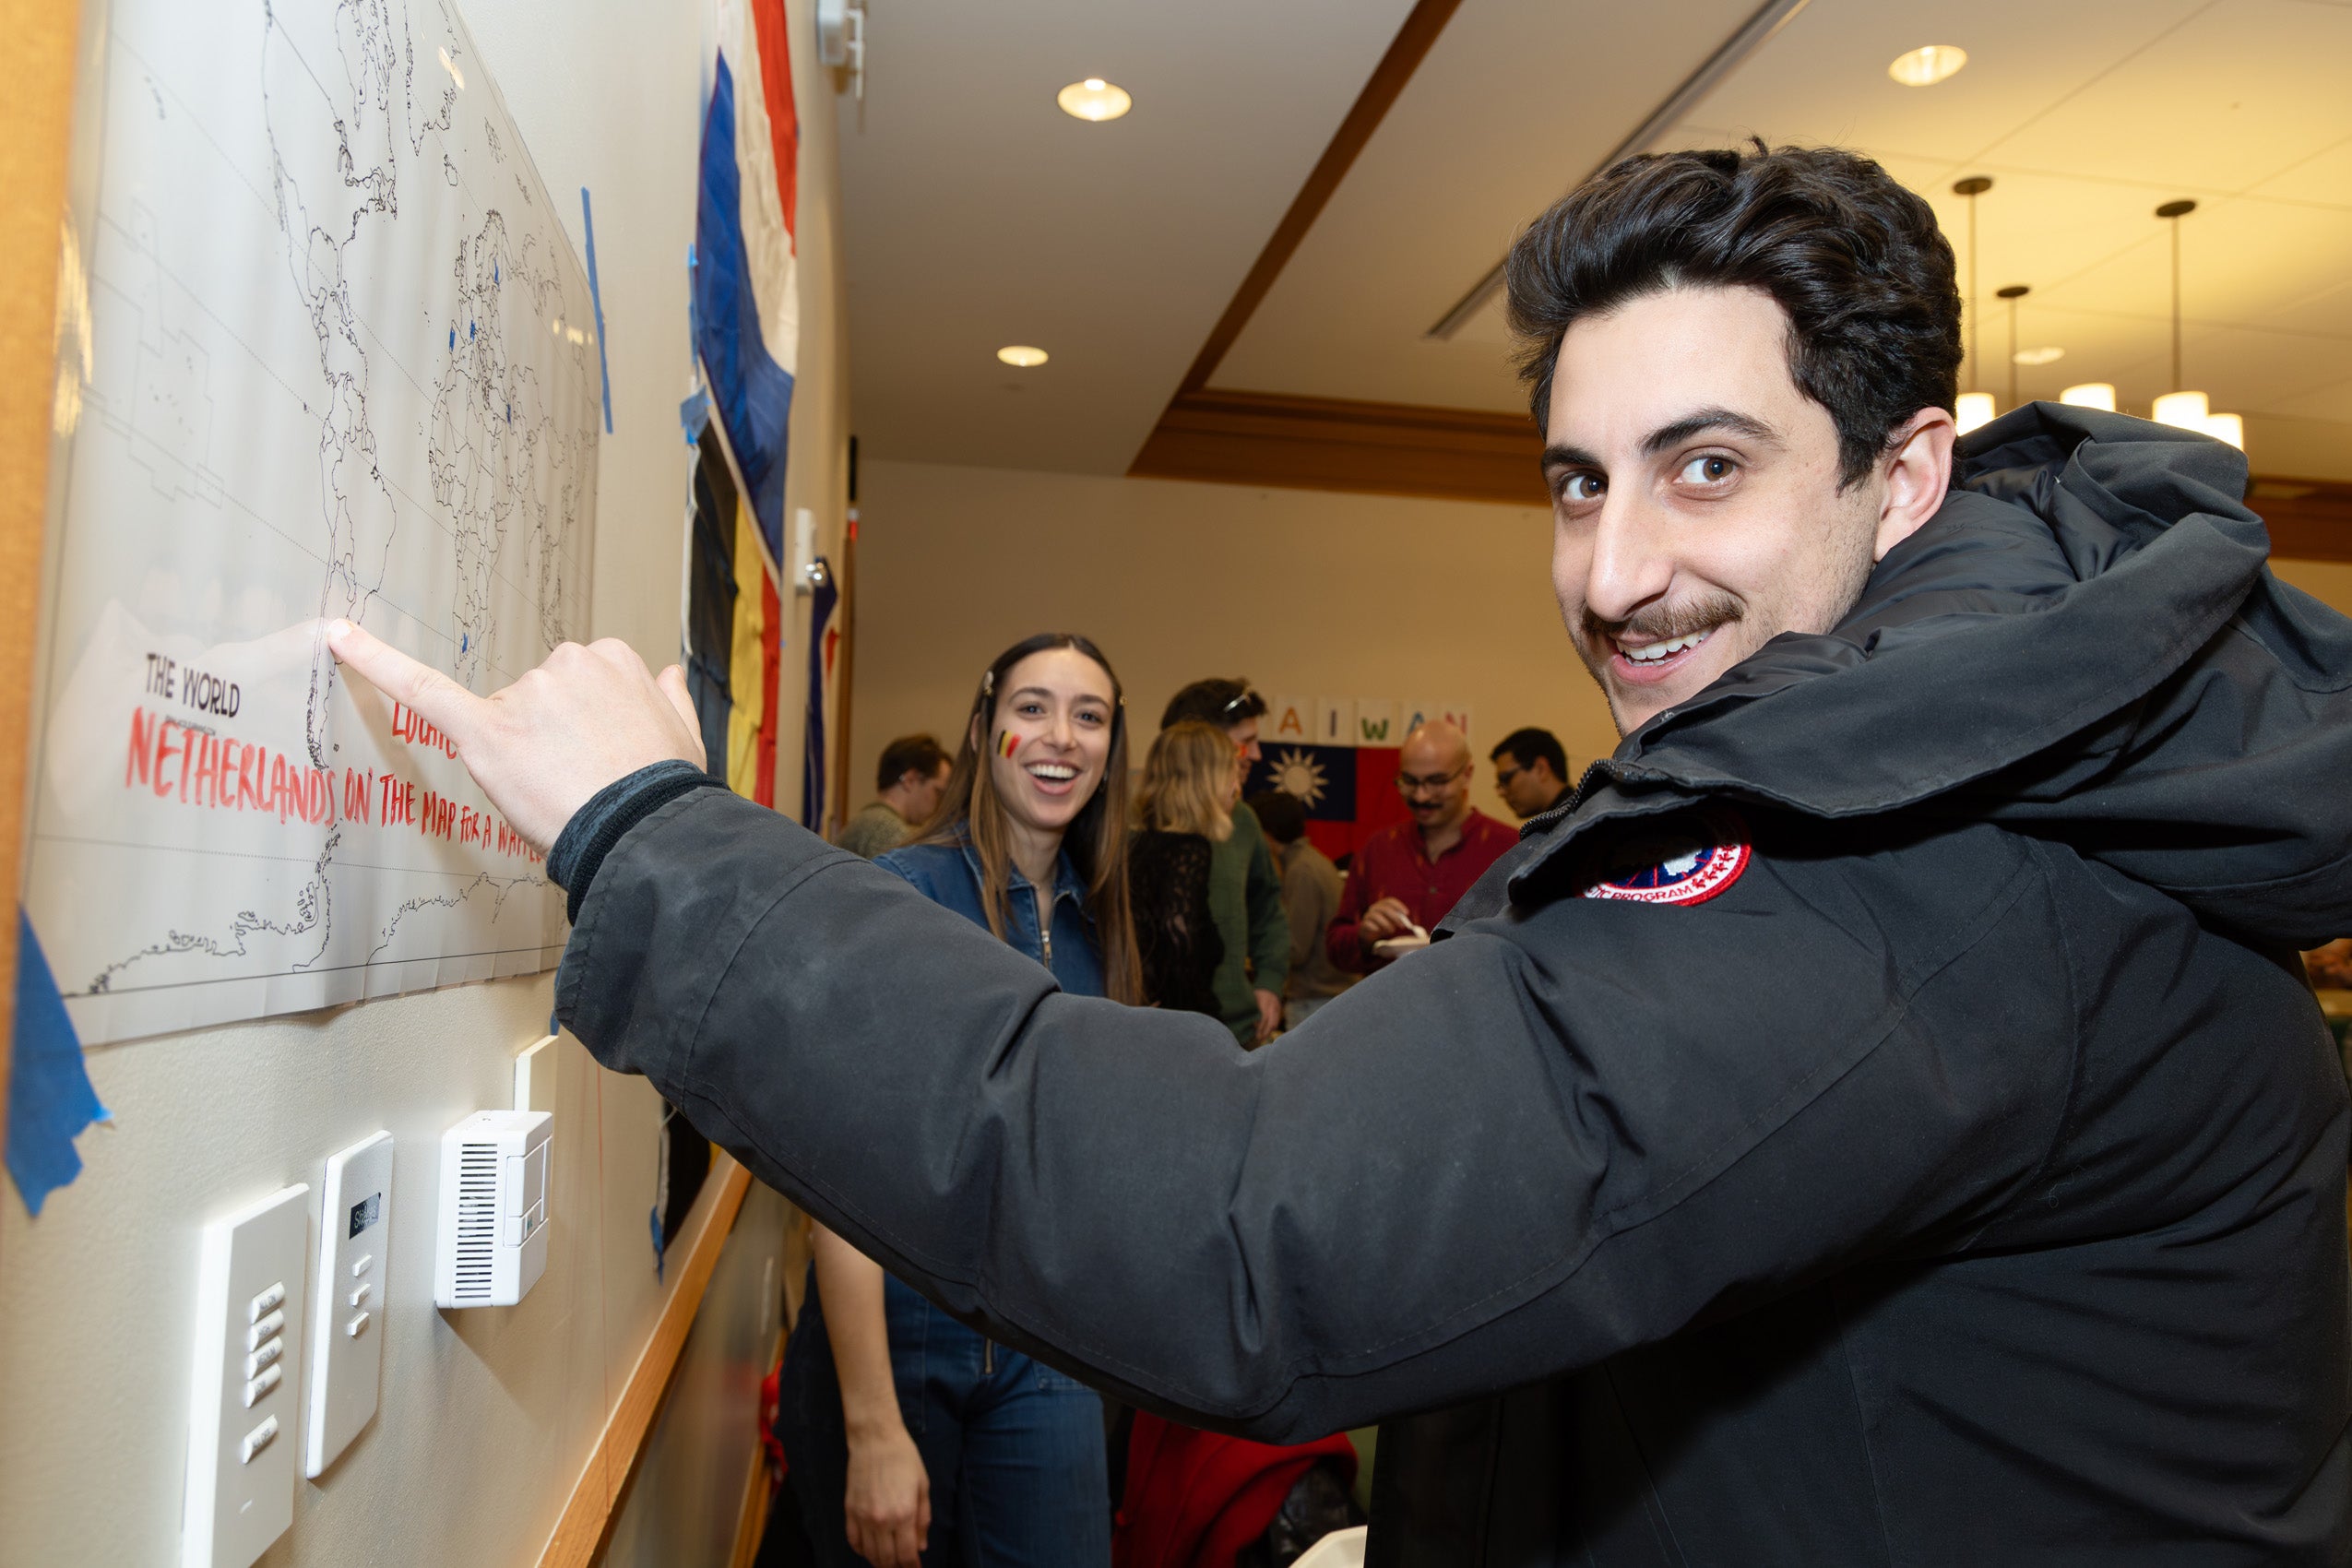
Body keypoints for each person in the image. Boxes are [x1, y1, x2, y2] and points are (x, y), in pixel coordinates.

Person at [327, 142, 2352, 1562]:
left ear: (1904, 476)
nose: (1614, 572)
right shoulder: (1920, 765)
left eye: (1707, 468)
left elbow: (1254, 1223)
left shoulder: (1926, 850)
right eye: (1580, 482)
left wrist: (657, 846)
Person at [775, 634, 1139, 1568]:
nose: (1061, 737)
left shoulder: (1104, 921)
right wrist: (872, 1427)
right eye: (1032, 708)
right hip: (899, 1336)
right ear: (984, 731)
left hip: (1044, 1341)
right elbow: (839, 1176)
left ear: (1110, 749)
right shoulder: (903, 896)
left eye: (1089, 716)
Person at [1324, 720, 1515, 973]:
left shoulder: (1509, 848)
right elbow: (1335, 946)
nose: (1421, 796)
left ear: (1467, 774)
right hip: (1390, 996)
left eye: (1436, 781)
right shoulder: (1378, 848)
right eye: (1410, 782)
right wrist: (1364, 935)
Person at [1158, 679, 1289, 1046]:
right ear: (1199, 746)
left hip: (1238, 1034)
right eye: (1244, 743)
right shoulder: (1134, 826)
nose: (1256, 755)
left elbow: (1268, 909)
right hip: (1159, 1036)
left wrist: (1269, 981)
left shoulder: (1244, 821)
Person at [1127, 721, 1234, 1018]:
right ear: (1207, 782)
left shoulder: (1137, 846)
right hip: (1179, 1030)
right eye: (1230, 773)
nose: (1235, 787)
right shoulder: (1189, 851)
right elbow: (1179, 946)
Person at [1246, 790, 1351, 1028]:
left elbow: (1294, 948)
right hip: (1323, 998)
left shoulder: (1301, 870)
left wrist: (1254, 954)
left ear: (1266, 833)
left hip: (1316, 1001)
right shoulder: (1308, 861)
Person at [834, 734, 953, 860]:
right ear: (910, 780)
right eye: (938, 792)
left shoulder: (869, 820)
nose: (940, 803)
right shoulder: (886, 829)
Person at [1487, 726, 1573, 820]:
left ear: (1541, 769)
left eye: (1506, 779)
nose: (1501, 792)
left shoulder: (1575, 822)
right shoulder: (1568, 817)